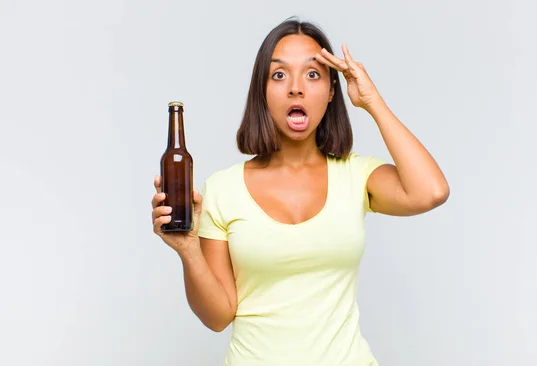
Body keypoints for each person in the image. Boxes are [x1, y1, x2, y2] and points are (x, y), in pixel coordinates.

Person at [151, 17, 449, 366]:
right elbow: (218, 317)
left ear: (332, 91)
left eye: (312, 74)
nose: (296, 87)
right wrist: (189, 250)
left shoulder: (357, 175)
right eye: (279, 75)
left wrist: (371, 100)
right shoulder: (222, 188)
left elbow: (431, 191)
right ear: (261, 91)